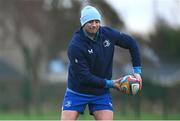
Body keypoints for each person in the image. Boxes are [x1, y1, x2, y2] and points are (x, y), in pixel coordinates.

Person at [60, 5, 142, 120]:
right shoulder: (75, 46)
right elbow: (84, 77)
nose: (94, 25)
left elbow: (131, 43)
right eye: (90, 22)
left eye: (97, 21)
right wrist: (111, 83)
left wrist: (137, 71)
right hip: (77, 91)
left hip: (100, 93)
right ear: (83, 23)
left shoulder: (108, 34)